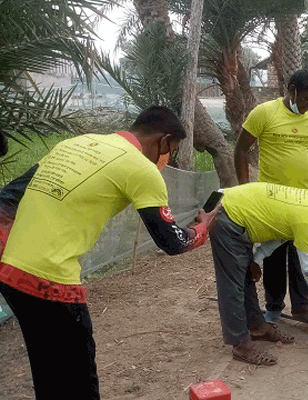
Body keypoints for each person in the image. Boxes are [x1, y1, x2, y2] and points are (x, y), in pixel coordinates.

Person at [0, 106, 216, 400]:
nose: (167, 158)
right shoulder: (142, 170)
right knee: (80, 384)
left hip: (10, 272)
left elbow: (9, 196)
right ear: (164, 140)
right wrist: (203, 229)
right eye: (171, 149)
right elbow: (173, 242)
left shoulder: (72, 144)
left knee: (48, 373)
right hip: (52, 283)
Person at [210, 182, 308, 366]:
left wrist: (255, 259)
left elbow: (279, 236)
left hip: (236, 209)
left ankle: (257, 327)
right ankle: (240, 344)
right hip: (229, 215)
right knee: (232, 284)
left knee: (244, 276)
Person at [234, 69, 308, 326]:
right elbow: (241, 150)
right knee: (273, 258)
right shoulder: (264, 113)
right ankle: (274, 309)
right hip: (271, 203)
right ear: (292, 89)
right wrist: (245, 190)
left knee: (304, 256)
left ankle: (302, 308)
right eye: (305, 99)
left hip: (304, 202)